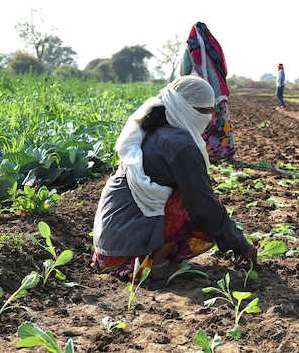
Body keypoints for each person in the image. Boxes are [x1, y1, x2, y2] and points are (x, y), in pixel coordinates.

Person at [91, 75, 257, 281]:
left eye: (210, 111)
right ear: (183, 107)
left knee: (191, 193)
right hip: (125, 246)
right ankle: (156, 263)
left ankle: (154, 256)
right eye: (202, 111)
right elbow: (203, 205)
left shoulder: (157, 127)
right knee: (189, 200)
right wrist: (240, 244)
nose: (208, 117)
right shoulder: (181, 146)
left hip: (111, 241)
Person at [180, 22, 235, 161]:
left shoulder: (191, 46)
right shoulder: (214, 47)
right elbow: (224, 68)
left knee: (202, 121)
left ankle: (204, 154)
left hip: (200, 91)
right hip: (219, 90)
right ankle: (225, 153)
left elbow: (184, 70)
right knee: (221, 121)